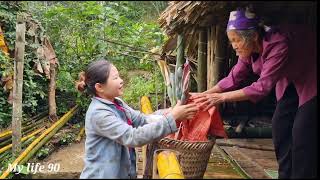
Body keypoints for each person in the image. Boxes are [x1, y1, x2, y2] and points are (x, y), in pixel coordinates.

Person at [190, 8, 317, 179]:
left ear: (253, 36)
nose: (233, 45)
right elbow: (233, 78)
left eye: (236, 40)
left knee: (302, 133)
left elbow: (262, 87)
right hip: (291, 80)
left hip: (311, 75)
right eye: (231, 40)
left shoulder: (278, 43)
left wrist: (220, 98)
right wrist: (203, 95)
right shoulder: (248, 49)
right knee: (280, 126)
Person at [76, 59, 198, 179]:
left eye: (119, 76)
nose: (121, 80)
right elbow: (132, 137)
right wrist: (172, 118)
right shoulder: (99, 114)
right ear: (100, 87)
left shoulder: (117, 103)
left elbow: (142, 119)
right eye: (115, 78)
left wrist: (169, 112)